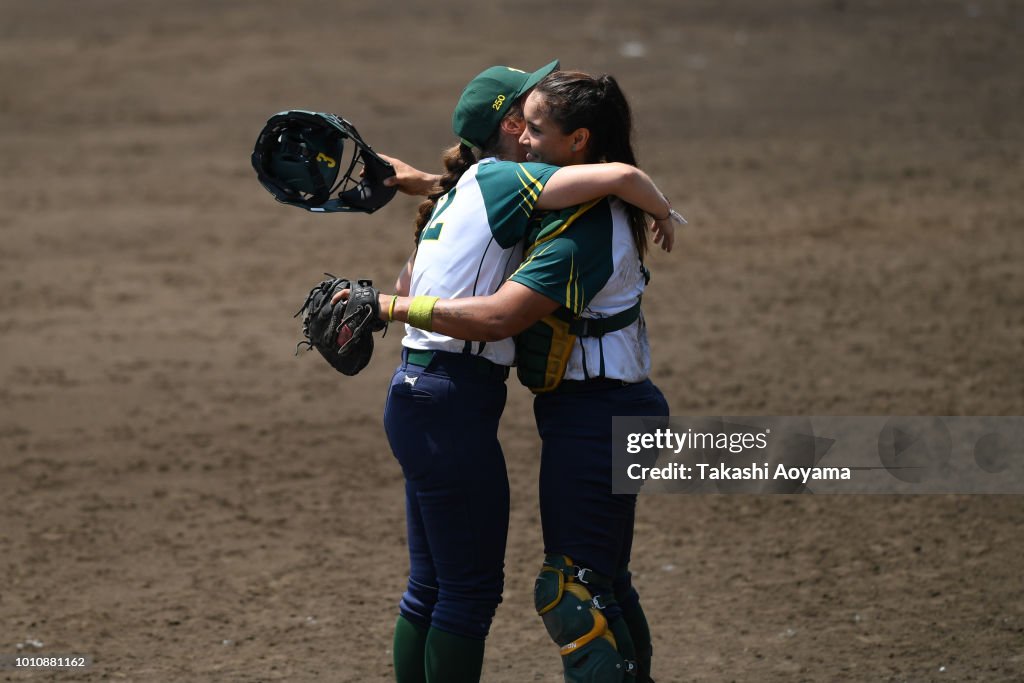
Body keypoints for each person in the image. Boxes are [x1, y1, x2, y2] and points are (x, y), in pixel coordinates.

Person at [356, 69, 675, 682]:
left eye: (538, 129)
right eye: (521, 128)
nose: (527, 140)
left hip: (599, 415)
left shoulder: (581, 223)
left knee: (572, 592)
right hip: (563, 409)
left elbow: (503, 315)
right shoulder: (537, 198)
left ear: (578, 141)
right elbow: (498, 198)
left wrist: (389, 306)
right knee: (590, 584)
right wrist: (422, 181)